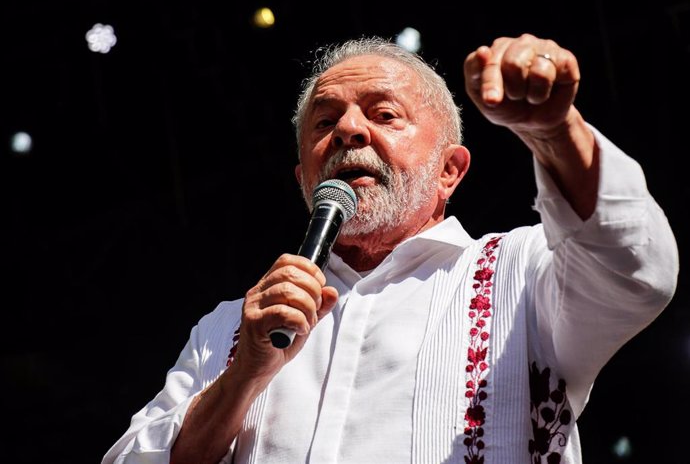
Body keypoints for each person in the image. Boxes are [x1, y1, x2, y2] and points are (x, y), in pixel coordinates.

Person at [102, 33, 679, 464]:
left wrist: (556, 133)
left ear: (449, 171)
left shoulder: (521, 275)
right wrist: (241, 378)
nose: (349, 131)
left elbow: (634, 270)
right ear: (304, 177)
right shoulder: (233, 328)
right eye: (325, 122)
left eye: (384, 114)